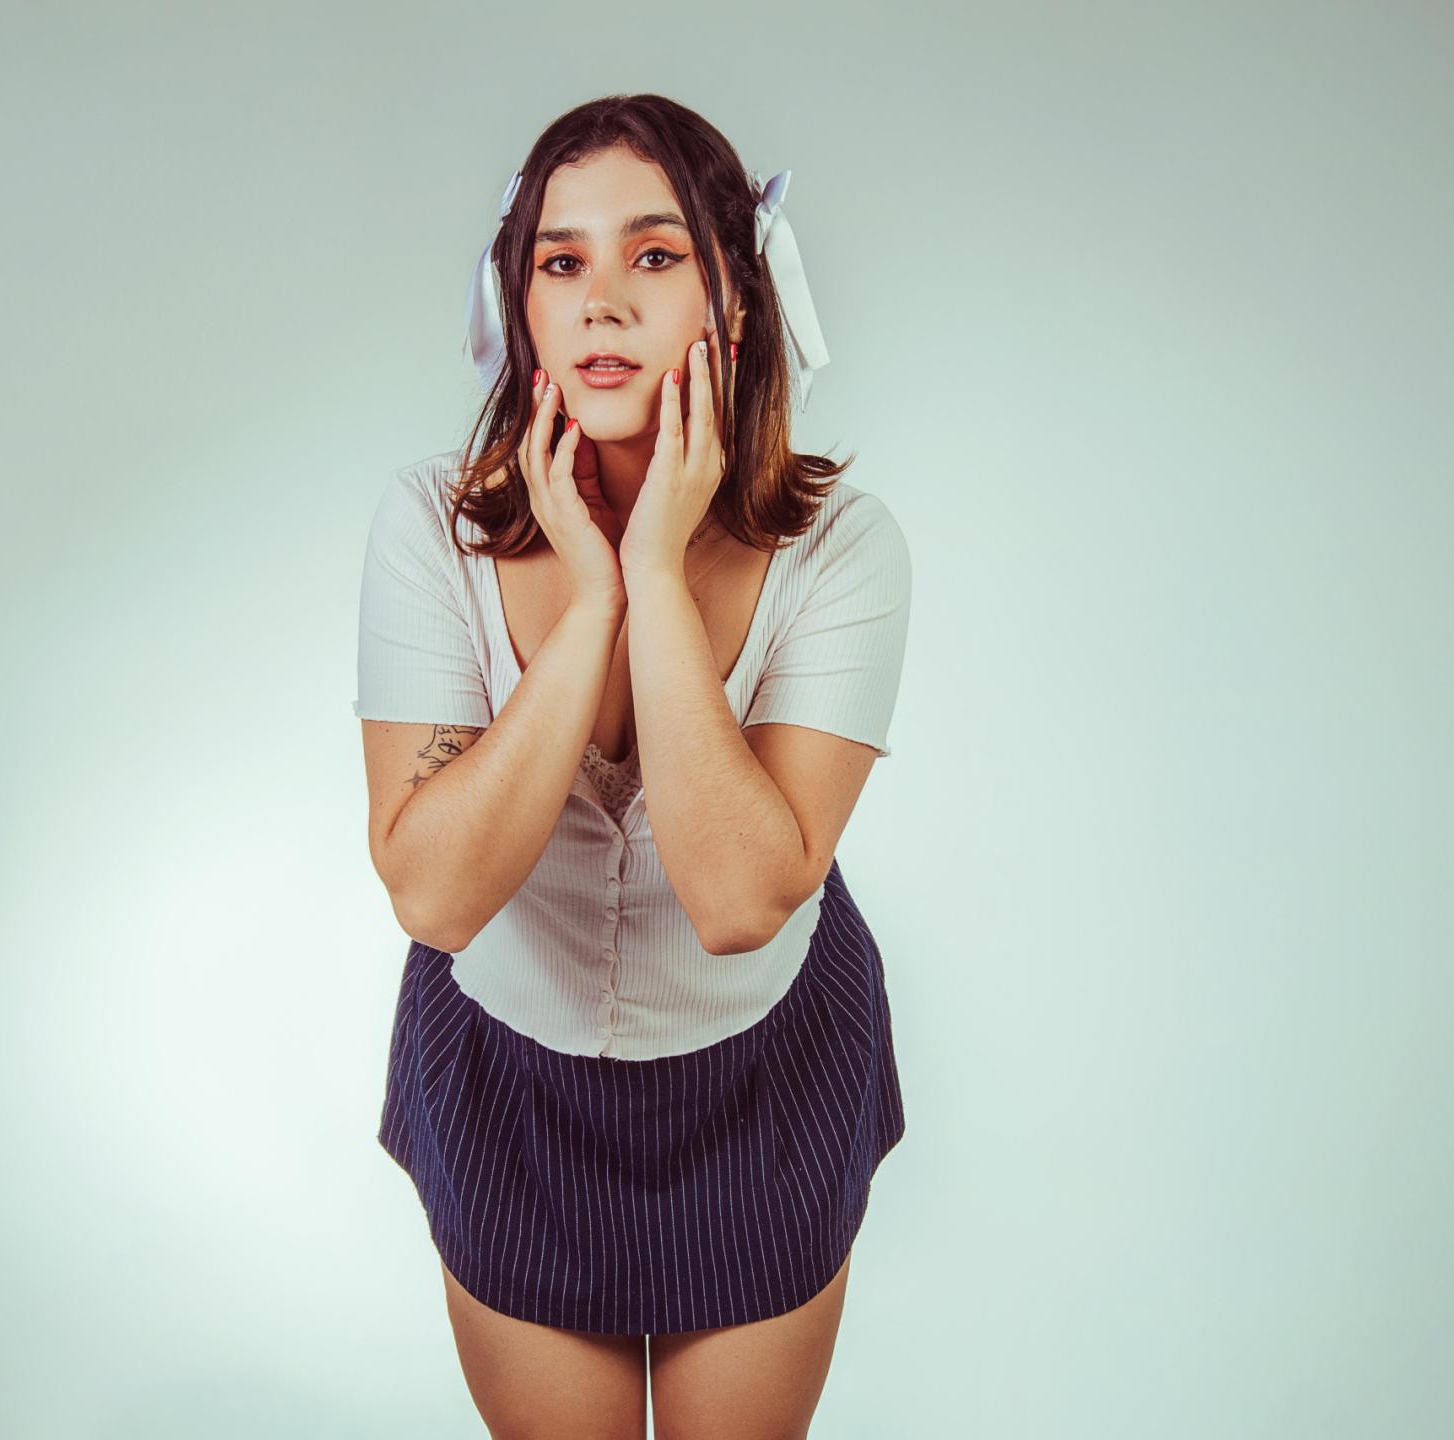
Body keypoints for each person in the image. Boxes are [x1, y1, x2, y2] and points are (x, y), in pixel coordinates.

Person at [353, 93, 911, 1439]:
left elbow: (739, 900)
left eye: (654, 255)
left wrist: (654, 574)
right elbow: (434, 895)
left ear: (736, 303)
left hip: (762, 1079)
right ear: (522, 307)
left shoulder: (846, 547)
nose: (602, 299)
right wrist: (589, 603)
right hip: (510, 1083)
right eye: (563, 262)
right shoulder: (429, 524)